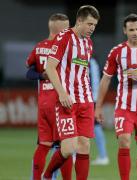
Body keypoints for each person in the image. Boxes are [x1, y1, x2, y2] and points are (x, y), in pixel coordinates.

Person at [95, 13, 137, 180]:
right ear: (125, 31)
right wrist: (97, 107)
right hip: (124, 106)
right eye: (131, 29)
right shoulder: (117, 52)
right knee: (124, 140)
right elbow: (105, 79)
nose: (135, 32)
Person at [42, 5, 100, 180]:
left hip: (86, 100)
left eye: (95, 25)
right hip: (67, 101)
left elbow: (82, 73)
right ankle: (47, 175)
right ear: (79, 20)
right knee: (68, 148)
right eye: (89, 24)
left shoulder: (88, 43)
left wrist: (91, 99)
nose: (92, 28)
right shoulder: (64, 37)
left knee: (84, 146)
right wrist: (62, 93)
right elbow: (50, 67)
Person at [25, 13, 73, 180]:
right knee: (65, 146)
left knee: (43, 145)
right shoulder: (65, 47)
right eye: (67, 28)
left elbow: (29, 72)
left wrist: (42, 76)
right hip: (60, 101)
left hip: (43, 103)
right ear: (61, 30)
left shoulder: (39, 47)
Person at [90, 57, 110, 165]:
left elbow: (93, 82)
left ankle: (103, 156)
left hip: (90, 99)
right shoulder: (93, 62)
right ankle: (103, 155)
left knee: (95, 126)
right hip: (93, 98)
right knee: (95, 127)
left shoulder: (89, 62)